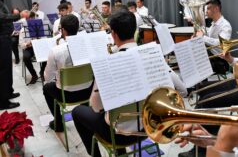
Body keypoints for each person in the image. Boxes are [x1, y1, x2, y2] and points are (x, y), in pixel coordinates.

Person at [72, 10, 187, 157]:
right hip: (151, 127)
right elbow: (182, 90)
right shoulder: (155, 56)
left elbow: (96, 107)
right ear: (135, 30)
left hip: (119, 134)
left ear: (113, 34)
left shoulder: (106, 64)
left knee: (78, 112)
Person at [43, 14, 93, 132]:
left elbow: (48, 77)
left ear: (63, 30)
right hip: (88, 92)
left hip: (67, 95)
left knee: (46, 88)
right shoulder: (88, 45)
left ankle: (59, 123)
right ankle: (85, 114)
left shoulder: (55, 50)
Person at [0, 0, 21, 110]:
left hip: (5, 38)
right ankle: (3, 102)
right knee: (3, 70)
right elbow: (1, 18)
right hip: (1, 39)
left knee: (8, 68)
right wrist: (17, 16)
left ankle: (8, 92)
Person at [196, 0, 232, 75]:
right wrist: (200, 30)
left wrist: (202, 37)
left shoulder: (225, 25)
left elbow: (220, 43)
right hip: (211, 56)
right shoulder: (214, 23)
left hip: (220, 60)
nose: (206, 11)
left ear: (216, 9)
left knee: (197, 66)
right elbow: (209, 34)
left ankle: (202, 85)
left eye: (208, 8)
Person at [19, 12, 47, 84]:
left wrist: (40, 40)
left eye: (33, 18)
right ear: (26, 19)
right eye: (29, 19)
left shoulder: (40, 27)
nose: (31, 20)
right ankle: (34, 75)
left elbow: (45, 39)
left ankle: (42, 71)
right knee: (26, 57)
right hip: (29, 48)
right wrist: (27, 44)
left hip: (39, 46)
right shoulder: (23, 30)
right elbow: (21, 44)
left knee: (47, 54)